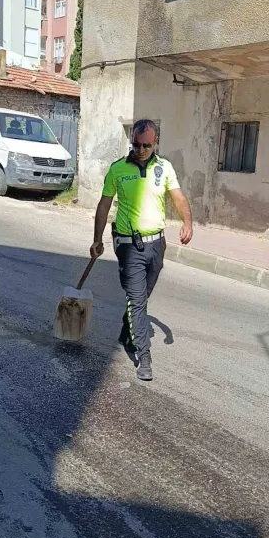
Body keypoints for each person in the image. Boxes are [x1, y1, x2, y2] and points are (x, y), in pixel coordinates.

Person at [90, 119, 193, 381]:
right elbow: (104, 205)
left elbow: (178, 197)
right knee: (136, 299)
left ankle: (127, 330)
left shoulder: (164, 167)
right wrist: (97, 239)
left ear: (155, 142)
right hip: (128, 245)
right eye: (136, 144)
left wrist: (187, 223)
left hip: (157, 245)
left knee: (142, 297)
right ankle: (143, 355)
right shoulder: (118, 169)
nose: (141, 150)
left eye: (146, 145)